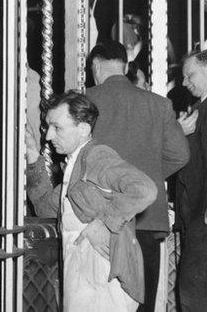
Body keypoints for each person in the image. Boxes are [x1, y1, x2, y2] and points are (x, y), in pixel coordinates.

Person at [26, 90, 157, 311]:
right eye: (48, 127)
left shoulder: (97, 156)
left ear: (83, 129)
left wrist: (105, 223)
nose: (48, 136)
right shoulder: (76, 165)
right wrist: (32, 158)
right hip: (82, 269)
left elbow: (144, 189)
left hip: (100, 273)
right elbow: (43, 207)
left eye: (57, 127)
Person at [85, 40, 189, 310]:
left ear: (95, 65)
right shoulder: (159, 104)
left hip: (99, 218)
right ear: (126, 66)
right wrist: (144, 178)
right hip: (146, 219)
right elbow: (180, 155)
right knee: (141, 303)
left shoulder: (85, 100)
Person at [176, 49, 207, 310]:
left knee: (193, 293)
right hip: (195, 214)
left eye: (190, 75)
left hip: (202, 215)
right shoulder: (198, 109)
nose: (185, 82)